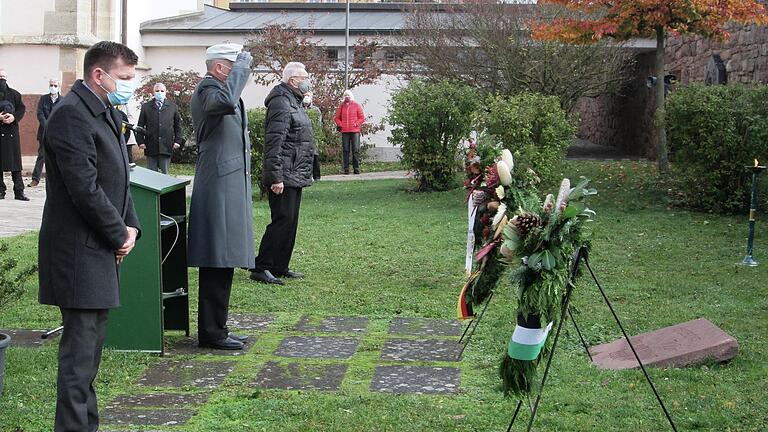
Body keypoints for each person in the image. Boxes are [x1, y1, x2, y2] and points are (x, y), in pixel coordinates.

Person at [37, 41, 141, 432]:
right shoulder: (71, 115)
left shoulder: (103, 111)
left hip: (99, 247)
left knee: (90, 357)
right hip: (78, 252)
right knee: (78, 362)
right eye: (126, 78)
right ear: (100, 74)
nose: (131, 85)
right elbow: (85, 188)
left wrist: (131, 226)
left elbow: (121, 180)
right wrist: (119, 234)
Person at [187, 43, 254, 350]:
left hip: (227, 183)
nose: (239, 73)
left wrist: (238, 68)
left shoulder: (218, 88)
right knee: (216, 259)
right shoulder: (208, 89)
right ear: (218, 67)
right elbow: (226, 102)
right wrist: (242, 66)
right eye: (233, 67)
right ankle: (211, 333)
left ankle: (219, 328)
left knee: (224, 259)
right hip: (217, 184)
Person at [250, 61, 315, 285]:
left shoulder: (294, 101)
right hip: (284, 173)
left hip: (295, 171)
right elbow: (274, 142)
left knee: (291, 221)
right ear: (292, 81)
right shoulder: (280, 102)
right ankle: (262, 267)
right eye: (304, 76)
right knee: (281, 220)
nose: (308, 80)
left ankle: (280, 265)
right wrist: (275, 177)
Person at [136, 83, 182, 174]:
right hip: (151, 144)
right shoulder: (146, 107)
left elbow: (178, 125)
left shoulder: (173, 107)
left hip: (166, 145)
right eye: (157, 91)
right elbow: (140, 125)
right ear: (153, 93)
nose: (159, 93)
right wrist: (140, 141)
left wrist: (178, 141)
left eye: (162, 91)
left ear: (165, 92)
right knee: (151, 174)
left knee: (165, 174)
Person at [0, 69, 29, 200]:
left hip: (11, 132)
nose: (2, 79)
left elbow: (21, 109)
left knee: (15, 164)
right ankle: (0, 191)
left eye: (3, 77)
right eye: (0, 77)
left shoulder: (15, 94)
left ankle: (19, 191)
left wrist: (14, 117)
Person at [29, 78, 61, 187]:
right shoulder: (43, 99)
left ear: (59, 86)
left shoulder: (63, 100)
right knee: (42, 155)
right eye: (51, 85)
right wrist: (47, 125)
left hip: (57, 133)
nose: (53, 87)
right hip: (44, 132)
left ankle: (58, 180)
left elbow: (62, 115)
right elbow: (40, 113)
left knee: (58, 157)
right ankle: (35, 179)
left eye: (55, 85)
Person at [334, 89, 365, 175]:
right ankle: (346, 169)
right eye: (345, 95)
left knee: (355, 150)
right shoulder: (341, 106)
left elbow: (362, 118)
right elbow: (336, 118)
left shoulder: (356, 105)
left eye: (348, 95)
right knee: (346, 150)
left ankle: (356, 169)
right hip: (345, 131)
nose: (347, 97)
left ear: (351, 96)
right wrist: (341, 124)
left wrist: (356, 123)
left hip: (355, 131)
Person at [302, 92, 321, 181]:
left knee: (314, 154)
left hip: (313, 135)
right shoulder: (299, 109)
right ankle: (306, 175)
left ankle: (316, 176)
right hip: (302, 135)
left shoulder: (315, 110)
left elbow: (318, 124)